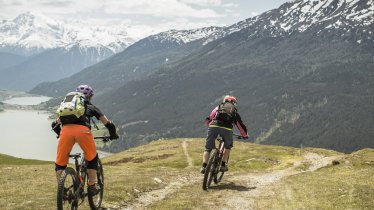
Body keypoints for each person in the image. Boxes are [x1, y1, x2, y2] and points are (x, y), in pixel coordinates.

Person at [51, 84, 119, 195]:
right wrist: (113, 135)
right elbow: (108, 124)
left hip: (66, 132)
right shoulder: (91, 107)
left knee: (60, 163)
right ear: (90, 96)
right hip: (83, 132)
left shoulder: (68, 107)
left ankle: (61, 191)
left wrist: (61, 135)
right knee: (92, 158)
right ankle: (92, 186)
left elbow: (54, 124)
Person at [201, 95, 248, 174]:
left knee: (208, 148)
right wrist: (245, 135)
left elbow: (209, 118)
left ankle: (204, 167)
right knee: (228, 146)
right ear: (234, 103)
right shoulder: (234, 111)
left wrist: (209, 125)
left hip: (214, 126)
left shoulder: (218, 107)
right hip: (227, 129)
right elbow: (240, 125)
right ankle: (223, 165)